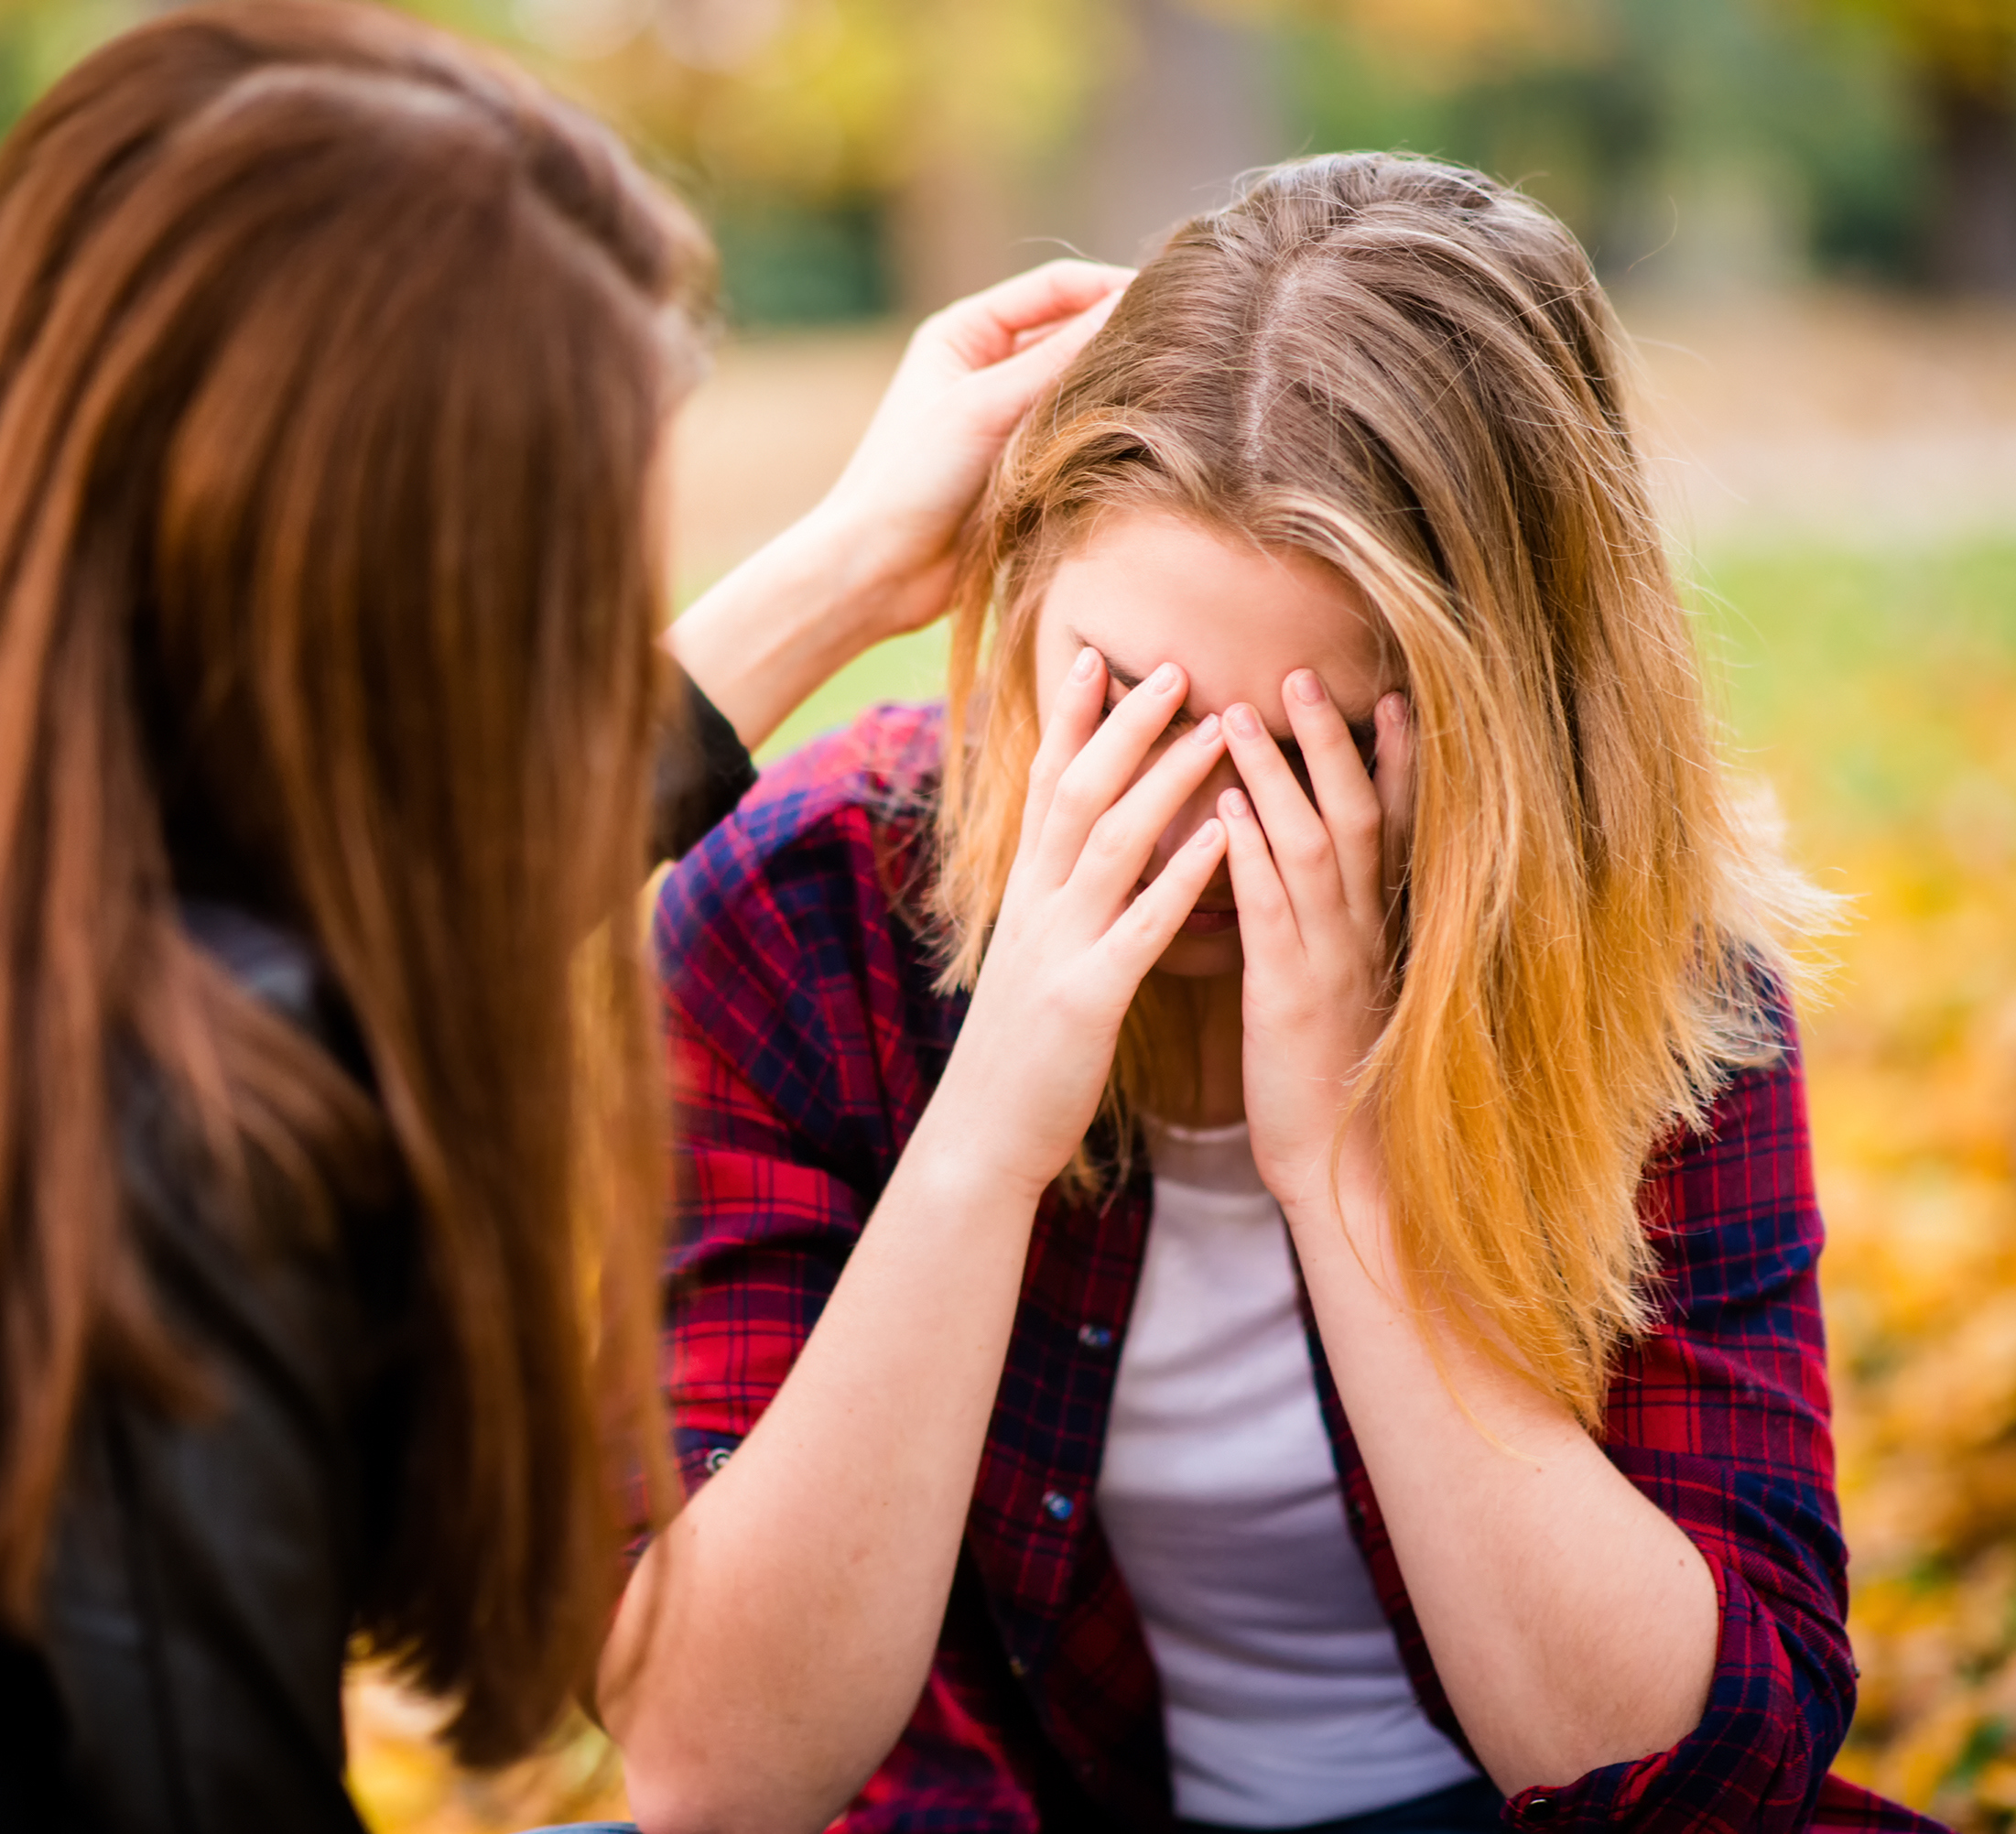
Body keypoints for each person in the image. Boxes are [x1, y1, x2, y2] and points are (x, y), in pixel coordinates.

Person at [0, 4, 1125, 1829]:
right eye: (564, 586)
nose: (600, 637)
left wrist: (848, 566)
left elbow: (341, 899)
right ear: (374, 618)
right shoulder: (175, 1149)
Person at [610, 154, 1944, 1834]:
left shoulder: (1645, 964)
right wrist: (983, 1148)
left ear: (1504, 734)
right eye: (1124, 709)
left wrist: (1343, 1171)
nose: (1182, 825)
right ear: (1018, 590)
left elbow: (1691, 1783)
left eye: (1304, 755)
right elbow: (716, 1780)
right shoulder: (809, 912)